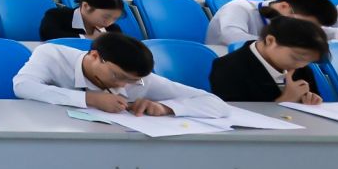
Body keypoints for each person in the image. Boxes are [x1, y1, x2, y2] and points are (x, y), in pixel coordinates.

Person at [12, 34, 226, 117]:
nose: (124, 85)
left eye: (131, 80)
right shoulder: (53, 54)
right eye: (117, 76)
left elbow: (215, 104)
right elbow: (23, 86)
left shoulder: (140, 79)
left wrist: (165, 107)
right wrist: (90, 98)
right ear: (95, 56)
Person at [208, 14, 327, 104]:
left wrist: (312, 100)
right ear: (270, 41)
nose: (301, 65)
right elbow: (234, 116)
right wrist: (285, 100)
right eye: (296, 57)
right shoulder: (228, 67)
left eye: (309, 61)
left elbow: (310, 102)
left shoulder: (301, 68)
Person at [205, 0, 338, 49]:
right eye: (303, 23)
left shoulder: (291, 19)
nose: (303, 28)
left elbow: (334, 33)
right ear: (284, 6)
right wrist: (284, 46)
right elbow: (231, 36)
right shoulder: (239, 7)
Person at [40, 0, 129, 40]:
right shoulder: (57, 16)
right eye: (106, 17)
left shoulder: (112, 29)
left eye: (115, 19)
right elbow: (48, 35)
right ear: (86, 6)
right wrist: (88, 38)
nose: (109, 23)